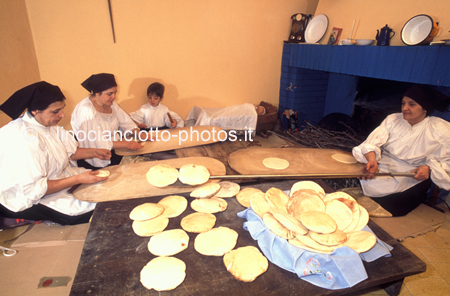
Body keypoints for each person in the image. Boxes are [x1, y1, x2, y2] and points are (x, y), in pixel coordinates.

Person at [0, 81, 112, 225]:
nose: (62, 115)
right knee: (89, 209)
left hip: (56, 179)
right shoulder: (23, 138)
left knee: (105, 188)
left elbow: (69, 153)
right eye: (55, 111)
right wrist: (77, 179)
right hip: (25, 196)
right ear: (35, 111)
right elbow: (32, 189)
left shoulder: (50, 126)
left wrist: (94, 152)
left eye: (62, 109)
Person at [352, 85, 450, 216]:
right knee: (358, 179)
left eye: (412, 104)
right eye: (403, 103)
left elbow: (447, 160)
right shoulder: (393, 119)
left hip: (411, 172)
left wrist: (428, 168)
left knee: (395, 203)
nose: (405, 108)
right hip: (384, 163)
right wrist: (372, 160)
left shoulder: (440, 129)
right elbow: (372, 142)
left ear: (425, 108)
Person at [71, 73, 144, 169]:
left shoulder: (111, 104)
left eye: (115, 92)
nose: (114, 97)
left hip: (114, 149)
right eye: (109, 94)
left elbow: (126, 122)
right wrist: (126, 144)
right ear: (97, 93)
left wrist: (140, 134)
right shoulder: (86, 112)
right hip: (95, 159)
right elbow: (98, 143)